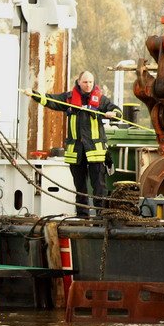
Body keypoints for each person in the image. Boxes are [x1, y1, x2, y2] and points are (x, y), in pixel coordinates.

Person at [30, 70, 122, 218]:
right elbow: (51, 100)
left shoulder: (101, 100)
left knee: (99, 187)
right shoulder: (68, 98)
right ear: (79, 82)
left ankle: (102, 217)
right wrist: (34, 95)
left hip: (96, 151)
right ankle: (82, 216)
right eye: (85, 82)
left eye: (91, 82)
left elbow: (117, 111)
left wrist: (114, 114)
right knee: (80, 188)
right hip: (77, 152)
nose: (88, 85)